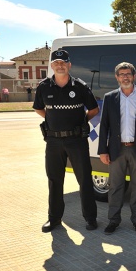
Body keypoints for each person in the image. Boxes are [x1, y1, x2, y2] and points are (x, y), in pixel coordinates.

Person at [33, 49, 100, 233]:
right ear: (52, 66)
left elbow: (94, 109)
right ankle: (54, 219)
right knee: (54, 180)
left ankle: (90, 218)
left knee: (85, 179)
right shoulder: (44, 87)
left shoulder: (80, 86)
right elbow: (38, 109)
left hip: (76, 140)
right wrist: (52, 119)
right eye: (56, 63)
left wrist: (81, 123)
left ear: (69, 65)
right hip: (53, 142)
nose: (60, 65)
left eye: (63, 62)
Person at [98, 62, 136, 235]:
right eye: (122, 74)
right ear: (117, 77)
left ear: (134, 76)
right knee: (115, 187)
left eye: (128, 74)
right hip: (116, 150)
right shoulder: (110, 98)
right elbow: (104, 127)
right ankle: (113, 220)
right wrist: (103, 150)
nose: (125, 77)